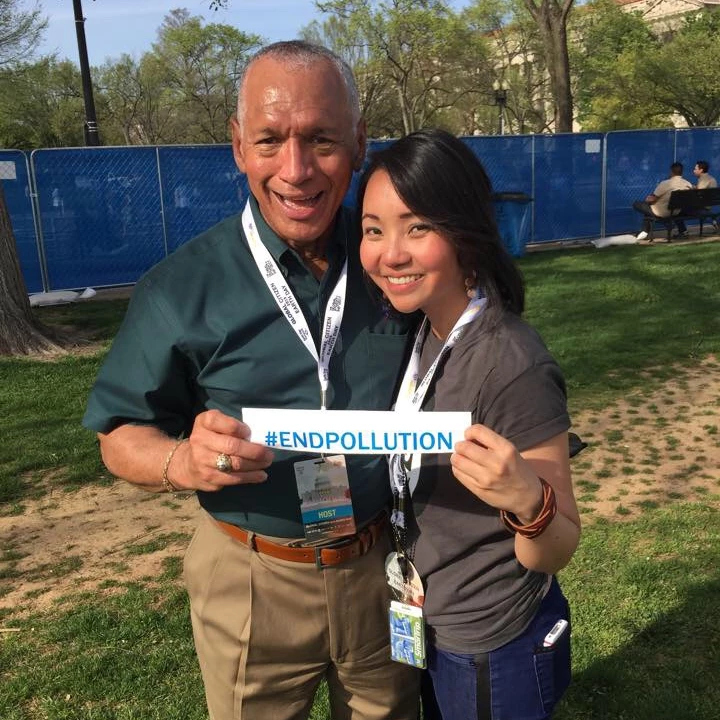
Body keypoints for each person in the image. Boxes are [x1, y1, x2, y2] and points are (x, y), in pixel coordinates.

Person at [82, 41, 419, 720]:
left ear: (358, 143)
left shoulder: (396, 261)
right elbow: (119, 433)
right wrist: (181, 459)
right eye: (270, 140)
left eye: (321, 140)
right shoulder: (181, 288)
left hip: (385, 566)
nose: (295, 170)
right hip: (251, 577)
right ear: (238, 146)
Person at [358, 128, 582, 720]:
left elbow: (557, 546)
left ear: (464, 233)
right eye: (374, 229)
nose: (391, 253)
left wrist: (528, 500)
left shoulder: (511, 362)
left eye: (417, 227)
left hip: (490, 639)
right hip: (429, 621)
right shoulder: (419, 329)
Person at [632, 161, 692, 240]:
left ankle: (644, 232)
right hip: (677, 211)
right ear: (682, 172)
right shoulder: (688, 184)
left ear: (671, 172)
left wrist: (648, 199)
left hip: (661, 212)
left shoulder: (665, 183)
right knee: (648, 213)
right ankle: (683, 231)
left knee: (637, 204)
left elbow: (652, 199)